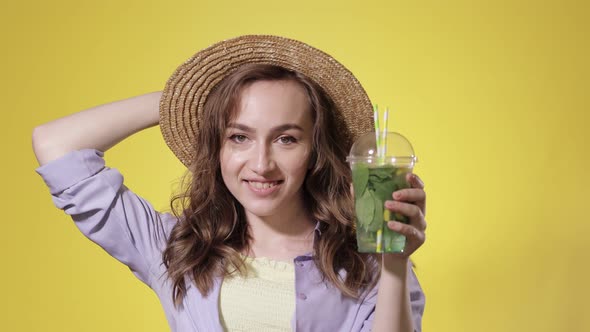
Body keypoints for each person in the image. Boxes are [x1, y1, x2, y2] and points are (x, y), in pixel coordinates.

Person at [33, 35, 427, 332]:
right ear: (217, 147)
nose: (261, 163)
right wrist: (184, 99)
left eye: (286, 138)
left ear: (315, 151)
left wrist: (394, 265)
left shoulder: (365, 262)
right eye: (239, 136)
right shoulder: (178, 250)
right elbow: (55, 144)